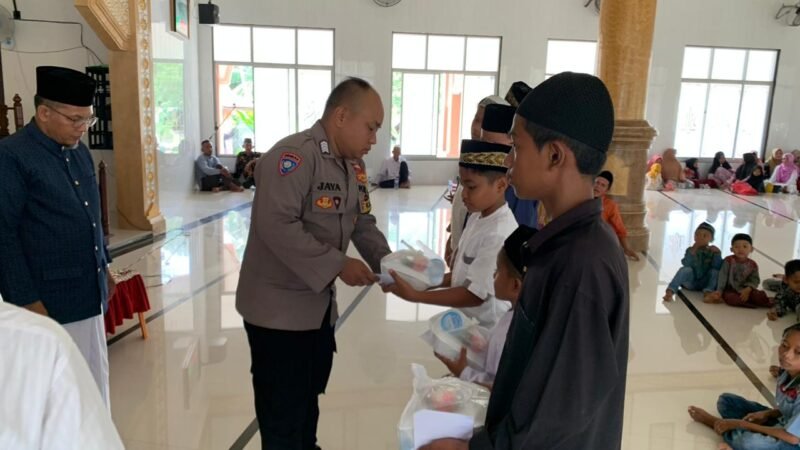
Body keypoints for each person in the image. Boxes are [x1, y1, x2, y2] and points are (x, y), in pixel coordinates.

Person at [422, 72, 630, 450]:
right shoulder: (564, 246)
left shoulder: (581, 266)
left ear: (554, 156)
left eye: (516, 147)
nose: (508, 161)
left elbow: (560, 415)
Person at [235, 77, 391, 450]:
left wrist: (389, 262)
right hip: (277, 315)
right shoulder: (294, 157)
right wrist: (338, 264)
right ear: (341, 116)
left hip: (316, 309)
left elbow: (362, 221)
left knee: (307, 400)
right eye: (370, 127)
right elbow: (275, 224)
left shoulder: (354, 167)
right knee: (282, 415)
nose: (374, 139)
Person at [0, 66, 115, 406]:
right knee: (59, 396)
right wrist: (27, 302)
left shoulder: (79, 150)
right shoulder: (12, 156)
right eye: (75, 119)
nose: (83, 128)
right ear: (44, 113)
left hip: (89, 291)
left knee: (93, 382)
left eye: (88, 119)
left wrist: (105, 266)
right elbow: (4, 235)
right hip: (48, 302)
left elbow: (91, 216)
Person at [388, 139, 518, 328]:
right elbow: (461, 277)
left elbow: (474, 295)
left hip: (488, 329)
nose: (463, 194)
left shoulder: (498, 233)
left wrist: (417, 296)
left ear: (500, 185)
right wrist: (423, 282)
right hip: (469, 323)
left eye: (471, 187)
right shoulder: (477, 216)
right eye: (462, 185)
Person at [0, 301, 124, 449]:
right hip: (57, 308)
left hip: (89, 303)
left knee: (96, 383)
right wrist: (28, 300)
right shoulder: (40, 342)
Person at [435, 225, 536, 388]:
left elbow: (499, 387)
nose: (493, 275)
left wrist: (463, 372)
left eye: (497, 271)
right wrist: (482, 344)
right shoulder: (516, 315)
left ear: (515, 285)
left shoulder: (514, 331)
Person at [688, 323, 800, 450]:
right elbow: (790, 409)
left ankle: (716, 424)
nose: (787, 354)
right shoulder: (787, 372)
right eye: (784, 345)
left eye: (798, 352)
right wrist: (766, 414)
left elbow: (793, 438)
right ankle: (736, 432)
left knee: (747, 442)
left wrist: (741, 424)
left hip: (793, 442)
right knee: (726, 401)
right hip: (785, 422)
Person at [447, 96, 506, 267]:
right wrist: (454, 236)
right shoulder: (472, 159)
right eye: (476, 120)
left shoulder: (506, 176)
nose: (476, 128)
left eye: (484, 122)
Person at [481, 103, 539, 229]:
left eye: (494, 146)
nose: (486, 153)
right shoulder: (480, 177)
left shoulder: (522, 183)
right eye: (482, 144)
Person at [663, 222, 722, 302]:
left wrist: (718, 254)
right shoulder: (690, 250)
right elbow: (686, 263)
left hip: (705, 282)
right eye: (697, 235)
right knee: (685, 269)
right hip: (690, 282)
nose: (700, 238)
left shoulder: (713, 251)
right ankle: (670, 291)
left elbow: (717, 266)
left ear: (711, 239)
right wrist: (693, 251)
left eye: (705, 236)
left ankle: (708, 292)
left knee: (715, 272)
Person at [710, 233, 772, 308]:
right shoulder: (728, 260)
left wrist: (748, 289)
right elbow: (723, 276)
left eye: (745, 246)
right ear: (731, 249)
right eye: (737, 247)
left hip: (746, 289)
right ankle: (750, 304)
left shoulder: (753, 264)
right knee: (731, 298)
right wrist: (719, 291)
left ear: (751, 249)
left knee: (758, 295)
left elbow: (755, 280)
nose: (741, 249)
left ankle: (765, 302)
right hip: (730, 290)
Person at [594, 171, 640, 261]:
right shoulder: (581, 199)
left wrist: (626, 248)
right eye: (597, 183)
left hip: (597, 243)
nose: (598, 187)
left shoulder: (610, 206)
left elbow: (620, 229)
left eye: (603, 185)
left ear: (607, 190)